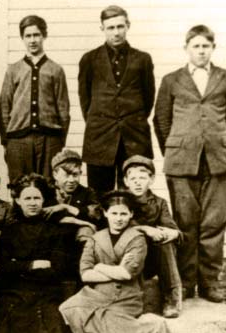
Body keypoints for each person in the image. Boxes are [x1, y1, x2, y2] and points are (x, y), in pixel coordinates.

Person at [153, 25, 226, 303]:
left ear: (213, 48)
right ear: (186, 48)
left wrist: (218, 142)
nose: (201, 51)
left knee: (214, 224)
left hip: (219, 163)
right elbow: (161, 120)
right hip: (182, 164)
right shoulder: (172, 80)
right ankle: (187, 282)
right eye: (196, 46)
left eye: (206, 46)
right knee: (185, 224)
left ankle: (209, 283)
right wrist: (179, 146)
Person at [59, 191, 173, 333]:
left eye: (123, 214)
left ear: (131, 214)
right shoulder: (96, 238)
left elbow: (126, 274)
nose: (118, 218)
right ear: (105, 213)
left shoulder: (137, 238)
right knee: (68, 309)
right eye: (114, 213)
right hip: (96, 295)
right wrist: (114, 270)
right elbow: (85, 274)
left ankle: (153, 329)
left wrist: (99, 267)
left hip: (125, 295)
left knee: (113, 330)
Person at [0, 174, 77, 333]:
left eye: (37, 198)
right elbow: (4, 267)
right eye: (27, 198)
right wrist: (32, 264)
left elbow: (58, 268)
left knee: (49, 317)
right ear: (17, 200)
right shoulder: (10, 230)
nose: (32, 203)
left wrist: (20, 266)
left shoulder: (54, 229)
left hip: (46, 288)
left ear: (44, 199)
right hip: (15, 289)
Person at [78, 6, 155, 194]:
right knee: (98, 196)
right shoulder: (90, 59)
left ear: (128, 26)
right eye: (110, 28)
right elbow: (85, 100)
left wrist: (130, 119)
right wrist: (103, 121)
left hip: (133, 137)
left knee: (134, 195)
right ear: (102, 29)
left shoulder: (142, 59)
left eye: (120, 26)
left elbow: (148, 98)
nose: (116, 32)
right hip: (100, 138)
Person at [0, 15, 70, 181]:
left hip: (50, 139)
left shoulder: (55, 70)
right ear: (22, 38)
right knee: (20, 185)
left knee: (49, 185)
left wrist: (60, 140)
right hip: (18, 139)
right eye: (28, 36)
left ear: (44, 36)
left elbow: (63, 109)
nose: (32, 40)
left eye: (36, 35)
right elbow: (4, 107)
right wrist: (6, 142)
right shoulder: (13, 70)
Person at [123, 155, 182, 318]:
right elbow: (117, 227)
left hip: (152, 257)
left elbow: (170, 226)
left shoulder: (159, 202)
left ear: (151, 179)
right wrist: (144, 228)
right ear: (126, 181)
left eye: (142, 178)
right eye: (133, 178)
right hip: (128, 254)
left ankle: (171, 299)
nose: (137, 182)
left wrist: (173, 233)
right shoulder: (121, 200)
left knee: (166, 243)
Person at [45, 149, 103, 233]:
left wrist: (67, 208)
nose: (71, 180)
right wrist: (74, 220)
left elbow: (96, 216)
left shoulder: (88, 193)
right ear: (55, 174)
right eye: (67, 175)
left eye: (75, 175)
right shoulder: (47, 191)